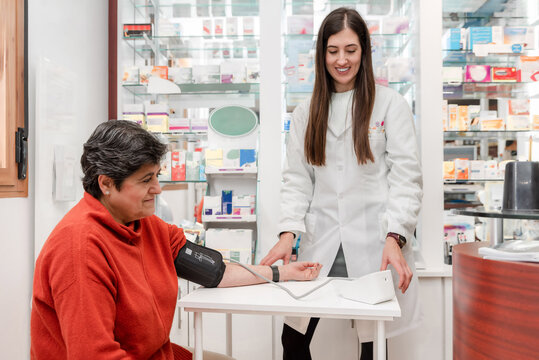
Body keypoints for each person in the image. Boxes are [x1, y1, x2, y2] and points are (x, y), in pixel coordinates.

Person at [31, 120, 322, 360]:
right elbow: (94, 355)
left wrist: (281, 272)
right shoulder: (79, 248)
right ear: (106, 183)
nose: (158, 189)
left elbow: (215, 272)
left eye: (157, 176)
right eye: (146, 180)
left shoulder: (148, 227)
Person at [260, 7, 422, 360]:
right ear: (322, 53)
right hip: (323, 241)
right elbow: (298, 179)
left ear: (364, 51)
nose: (341, 60)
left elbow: (406, 178)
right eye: (333, 50)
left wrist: (395, 236)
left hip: (374, 241)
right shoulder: (306, 112)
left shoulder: (389, 105)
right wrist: (288, 232)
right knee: (294, 340)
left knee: (373, 343)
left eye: (350, 50)